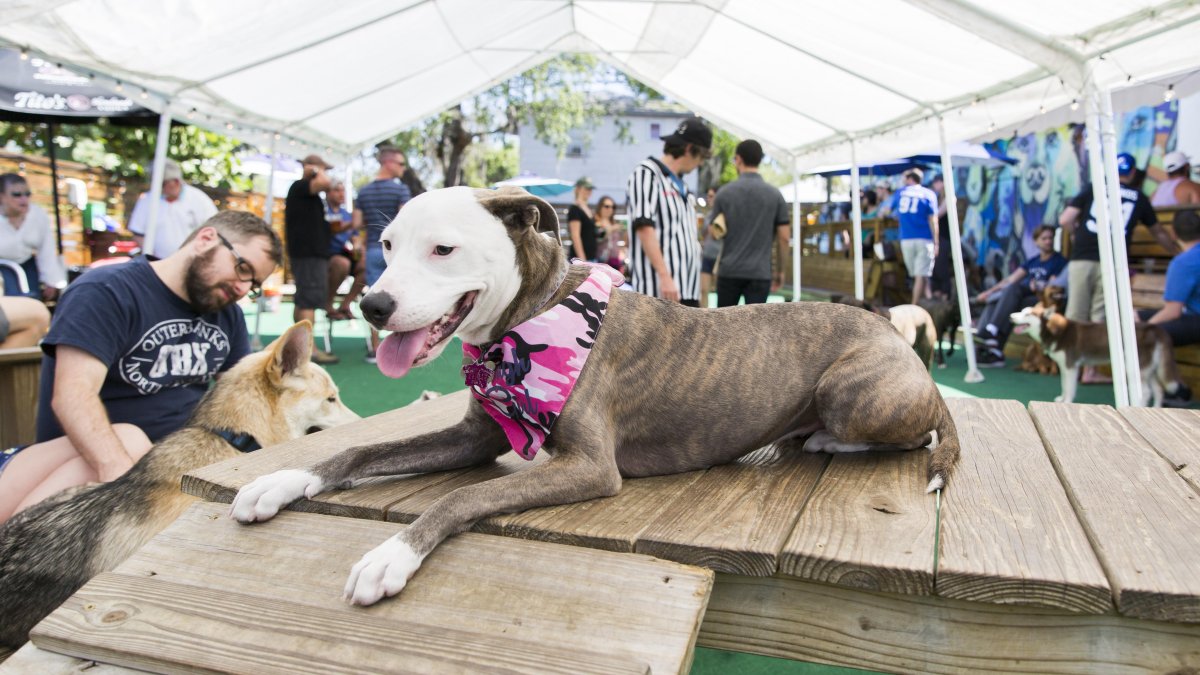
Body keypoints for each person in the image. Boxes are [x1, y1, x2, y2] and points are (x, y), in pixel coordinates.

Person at [0, 211, 282, 523]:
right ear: (206, 240)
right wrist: (127, 490)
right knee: (130, 437)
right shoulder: (107, 290)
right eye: (242, 268)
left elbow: (244, 393)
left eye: (253, 284)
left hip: (170, 470)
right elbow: (72, 396)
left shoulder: (227, 315)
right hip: (92, 467)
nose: (243, 289)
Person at [1059, 152, 1179, 324]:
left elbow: (1065, 219)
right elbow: (1158, 232)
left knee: (1075, 315)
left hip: (1083, 257)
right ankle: (1099, 351)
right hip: (1113, 262)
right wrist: (1176, 252)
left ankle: (1077, 352)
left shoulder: (1094, 188)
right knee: (1100, 317)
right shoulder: (1139, 197)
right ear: (1131, 172)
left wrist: (1074, 234)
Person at [626, 116, 712, 306]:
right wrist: (665, 276)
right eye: (702, 157)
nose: (700, 164)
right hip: (658, 290)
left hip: (687, 288)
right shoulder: (647, 173)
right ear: (690, 149)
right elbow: (644, 227)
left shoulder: (683, 185)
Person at [709, 140, 790, 307]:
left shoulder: (724, 193)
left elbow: (713, 233)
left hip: (729, 271)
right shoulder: (775, 195)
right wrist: (781, 270)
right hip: (760, 273)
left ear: (738, 159)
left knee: (724, 330)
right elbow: (784, 238)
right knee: (757, 331)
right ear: (760, 160)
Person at [973, 225, 1067, 367]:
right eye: (1044, 238)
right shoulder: (1033, 261)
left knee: (1012, 294)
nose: (1048, 241)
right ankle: (994, 349)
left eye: (1050, 238)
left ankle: (992, 334)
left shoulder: (1059, 261)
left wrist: (1039, 286)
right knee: (1000, 298)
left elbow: (1055, 287)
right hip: (1022, 299)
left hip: (1041, 302)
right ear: (1036, 241)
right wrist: (988, 292)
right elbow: (1009, 280)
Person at [354, 145, 412, 363]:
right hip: (397, 251)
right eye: (400, 163)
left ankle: (376, 348)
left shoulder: (364, 191)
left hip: (372, 248)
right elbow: (406, 220)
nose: (403, 168)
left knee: (373, 294)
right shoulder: (400, 190)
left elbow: (357, 223)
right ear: (387, 163)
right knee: (403, 293)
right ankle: (405, 346)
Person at [285, 154, 339, 365]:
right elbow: (325, 182)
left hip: (308, 253)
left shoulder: (307, 194)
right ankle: (310, 350)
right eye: (323, 169)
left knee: (303, 300)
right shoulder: (300, 187)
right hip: (308, 253)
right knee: (308, 301)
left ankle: (299, 347)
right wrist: (316, 171)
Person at [127, 159, 219, 260]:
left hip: (191, 262)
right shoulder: (147, 200)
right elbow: (138, 233)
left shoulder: (199, 199)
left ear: (176, 181)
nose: (157, 188)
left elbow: (214, 231)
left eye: (162, 184)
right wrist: (152, 257)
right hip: (157, 263)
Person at [0, 173, 66, 300]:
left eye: (27, 194)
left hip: (27, 264)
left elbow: (47, 248)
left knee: (32, 300)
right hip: (2, 267)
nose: (24, 199)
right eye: (17, 195)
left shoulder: (37, 215)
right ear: (2, 197)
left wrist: (51, 280)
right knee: (12, 299)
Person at [894, 168, 939, 305]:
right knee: (921, 274)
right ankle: (916, 304)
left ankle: (921, 301)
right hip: (924, 239)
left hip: (906, 239)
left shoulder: (900, 193)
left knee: (917, 274)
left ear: (909, 179)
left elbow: (887, 211)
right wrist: (936, 242)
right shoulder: (929, 194)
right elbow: (933, 220)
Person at [323, 180, 363, 320]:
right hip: (326, 255)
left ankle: (346, 304)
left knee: (366, 264)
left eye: (343, 190)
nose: (341, 194)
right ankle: (328, 303)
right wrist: (354, 223)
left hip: (344, 253)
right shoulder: (322, 210)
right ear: (328, 193)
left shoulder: (346, 213)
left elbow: (355, 237)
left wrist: (358, 246)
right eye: (337, 190)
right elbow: (334, 229)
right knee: (342, 263)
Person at [699, 186, 721, 308]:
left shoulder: (723, 214)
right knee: (704, 290)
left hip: (719, 257)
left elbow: (716, 234)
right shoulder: (708, 214)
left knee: (719, 291)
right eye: (708, 196)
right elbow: (704, 234)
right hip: (707, 255)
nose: (709, 199)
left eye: (711, 196)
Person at [566, 177, 597, 262]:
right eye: (587, 188)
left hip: (591, 257)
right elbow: (575, 236)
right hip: (580, 260)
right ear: (578, 189)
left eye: (590, 189)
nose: (589, 191)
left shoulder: (587, 208)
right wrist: (583, 260)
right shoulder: (575, 209)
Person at [594, 195, 624, 272]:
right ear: (600, 207)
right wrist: (611, 229)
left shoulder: (614, 222)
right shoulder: (596, 222)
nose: (610, 209)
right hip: (601, 261)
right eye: (607, 206)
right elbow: (598, 238)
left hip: (615, 260)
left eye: (613, 207)